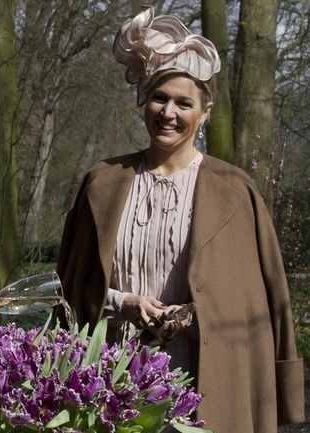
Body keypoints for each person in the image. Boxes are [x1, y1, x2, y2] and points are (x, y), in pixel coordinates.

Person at [56, 6, 304, 433]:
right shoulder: (102, 183)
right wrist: (124, 303)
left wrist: (192, 317)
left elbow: (264, 301)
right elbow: (68, 289)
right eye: (159, 97)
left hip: (206, 380)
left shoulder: (234, 191)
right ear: (143, 101)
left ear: (204, 111)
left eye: (183, 103)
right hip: (113, 379)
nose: (168, 112)